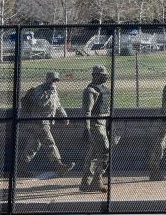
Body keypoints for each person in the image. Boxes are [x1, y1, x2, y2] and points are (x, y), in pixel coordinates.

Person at [20, 72, 74, 177]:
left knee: (33, 146)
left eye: (56, 80)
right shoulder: (39, 90)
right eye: (53, 80)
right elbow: (42, 102)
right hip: (39, 121)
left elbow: (58, 105)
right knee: (50, 143)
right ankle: (59, 166)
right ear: (47, 79)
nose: (54, 82)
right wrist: (50, 92)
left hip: (46, 122)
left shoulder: (53, 91)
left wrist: (64, 117)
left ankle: (19, 167)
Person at [80, 65, 111, 193]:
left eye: (105, 74)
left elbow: (107, 109)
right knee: (104, 151)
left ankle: (85, 181)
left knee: (93, 154)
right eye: (101, 74)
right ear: (95, 75)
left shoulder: (104, 89)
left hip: (104, 124)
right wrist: (86, 128)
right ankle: (97, 180)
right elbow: (87, 111)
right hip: (95, 125)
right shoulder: (90, 91)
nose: (105, 76)